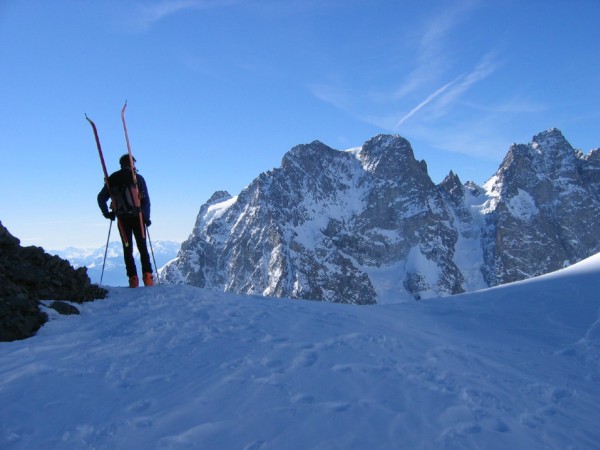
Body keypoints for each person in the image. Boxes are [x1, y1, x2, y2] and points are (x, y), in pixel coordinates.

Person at [97, 154, 153, 288]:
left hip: (122, 219)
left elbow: (101, 198)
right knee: (142, 247)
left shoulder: (113, 179)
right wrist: (146, 217)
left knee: (127, 248)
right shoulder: (137, 178)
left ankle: (133, 279)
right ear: (132, 164)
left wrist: (108, 214)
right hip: (138, 218)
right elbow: (146, 201)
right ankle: (148, 278)